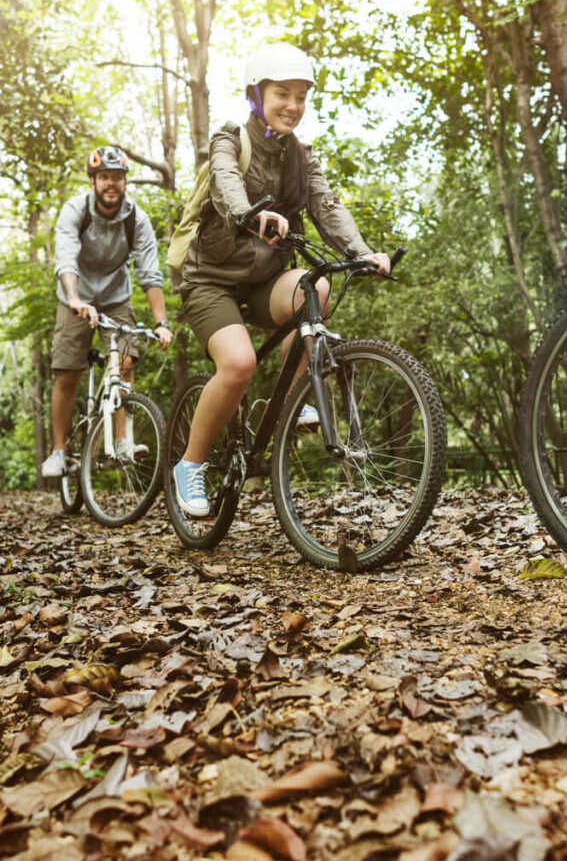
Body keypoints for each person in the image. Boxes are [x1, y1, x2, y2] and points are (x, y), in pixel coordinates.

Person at [172, 42, 390, 517]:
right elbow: (225, 182)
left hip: (263, 282)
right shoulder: (231, 139)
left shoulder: (301, 158)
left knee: (320, 287)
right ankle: (190, 465)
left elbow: (327, 208)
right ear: (257, 96)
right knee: (238, 365)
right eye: (281, 94)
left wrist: (361, 252)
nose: (293, 105)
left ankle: (291, 404)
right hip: (211, 280)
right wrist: (253, 214)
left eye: (301, 95)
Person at [42, 147, 173, 479]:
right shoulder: (75, 210)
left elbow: (150, 274)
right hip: (76, 296)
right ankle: (59, 451)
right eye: (104, 177)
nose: (111, 183)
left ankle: (122, 441)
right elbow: (66, 260)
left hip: (116, 298)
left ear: (126, 181)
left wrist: (162, 323)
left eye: (117, 177)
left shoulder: (136, 219)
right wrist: (74, 299)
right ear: (93, 181)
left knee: (127, 361)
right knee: (67, 371)